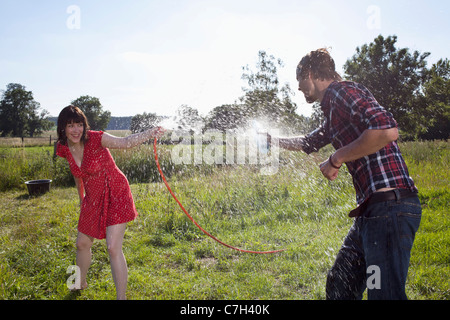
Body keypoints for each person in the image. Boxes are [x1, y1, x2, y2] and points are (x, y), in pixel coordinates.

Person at [271, 48, 422, 300]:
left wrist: (336, 158)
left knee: (383, 295)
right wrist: (271, 140)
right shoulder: (332, 111)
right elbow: (308, 142)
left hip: (389, 209)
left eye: (299, 80)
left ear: (310, 73)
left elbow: (386, 130)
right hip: (370, 214)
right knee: (340, 287)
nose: (299, 88)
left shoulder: (341, 91)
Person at [56, 105, 164, 300]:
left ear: (84, 126)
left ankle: (121, 297)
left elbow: (126, 142)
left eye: (79, 125)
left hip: (116, 193)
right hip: (93, 197)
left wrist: (151, 132)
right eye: (70, 125)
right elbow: (77, 175)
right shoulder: (63, 147)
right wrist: (81, 199)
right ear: (62, 128)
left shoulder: (96, 138)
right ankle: (79, 282)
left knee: (113, 247)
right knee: (81, 243)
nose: (75, 130)